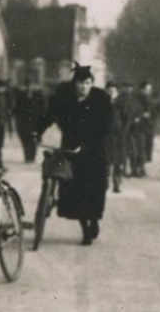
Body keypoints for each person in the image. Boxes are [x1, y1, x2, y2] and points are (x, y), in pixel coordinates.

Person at [36, 65, 115, 245]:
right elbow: (50, 116)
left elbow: (107, 127)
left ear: (92, 84)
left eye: (87, 83)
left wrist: (92, 145)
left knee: (95, 189)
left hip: (95, 149)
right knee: (75, 189)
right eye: (80, 83)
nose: (83, 87)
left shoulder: (101, 101)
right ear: (75, 84)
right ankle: (85, 229)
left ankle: (93, 220)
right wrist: (37, 130)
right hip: (72, 149)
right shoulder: (65, 100)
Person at [13, 83, 46, 163]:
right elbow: (17, 108)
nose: (29, 89)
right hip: (24, 121)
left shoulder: (38, 96)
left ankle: (32, 157)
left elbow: (43, 108)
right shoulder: (21, 95)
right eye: (28, 88)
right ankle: (27, 156)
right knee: (25, 139)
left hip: (35, 121)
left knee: (33, 139)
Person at [105, 81, 128, 193]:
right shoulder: (102, 103)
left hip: (119, 137)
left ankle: (117, 183)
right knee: (105, 161)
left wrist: (123, 132)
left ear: (117, 92)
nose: (111, 93)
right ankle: (104, 182)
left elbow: (126, 119)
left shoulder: (122, 104)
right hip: (105, 137)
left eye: (113, 91)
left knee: (118, 162)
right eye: (109, 90)